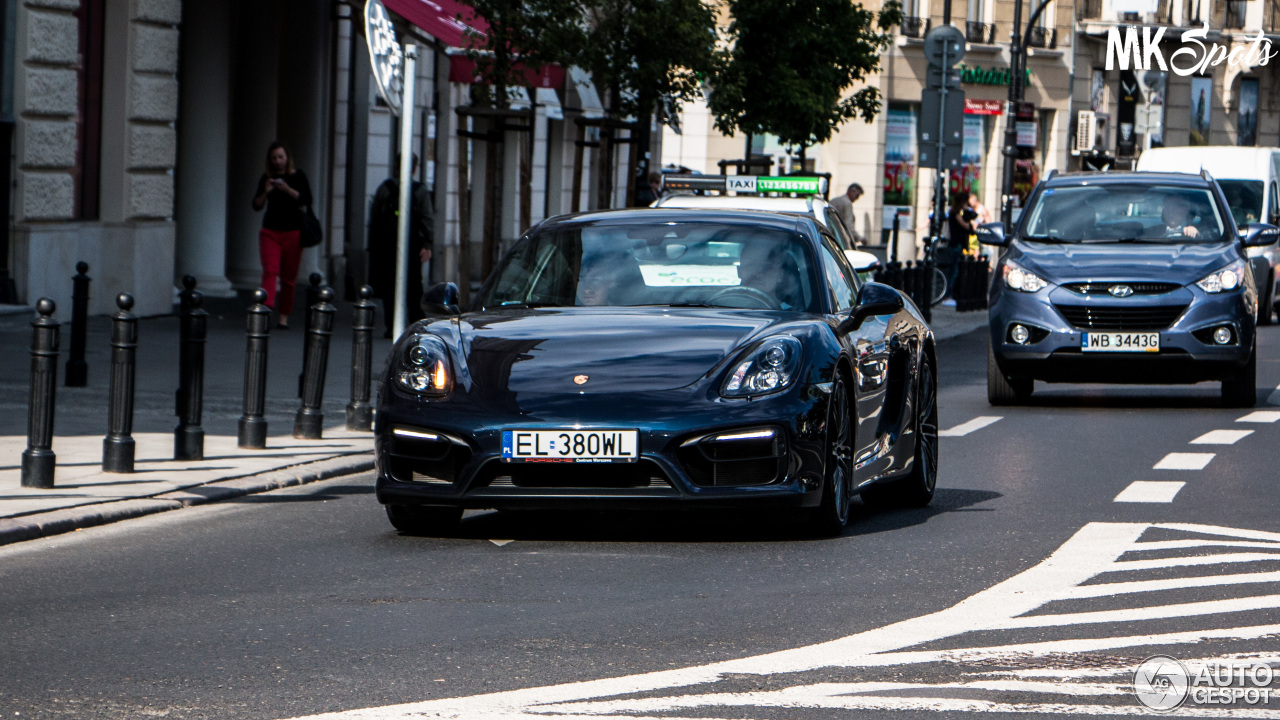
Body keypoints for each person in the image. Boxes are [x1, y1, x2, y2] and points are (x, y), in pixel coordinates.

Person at [368, 154, 435, 338]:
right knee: (414, 285)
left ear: (396, 165)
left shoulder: (386, 188)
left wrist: (373, 245)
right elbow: (427, 218)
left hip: (387, 244)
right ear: (415, 168)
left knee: (390, 285)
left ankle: (392, 325)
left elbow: (375, 216)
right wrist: (428, 244)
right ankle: (416, 323)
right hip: (412, 244)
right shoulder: (419, 190)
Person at [252, 142, 313, 329]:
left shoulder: (297, 176)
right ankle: (267, 307)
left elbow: (307, 200)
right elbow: (256, 205)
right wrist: (267, 191)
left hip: (293, 231)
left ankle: (284, 316)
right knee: (270, 270)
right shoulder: (267, 178)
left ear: (287, 158)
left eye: (280, 157)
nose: (277, 161)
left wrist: (287, 189)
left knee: (288, 278)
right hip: (270, 230)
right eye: (274, 158)